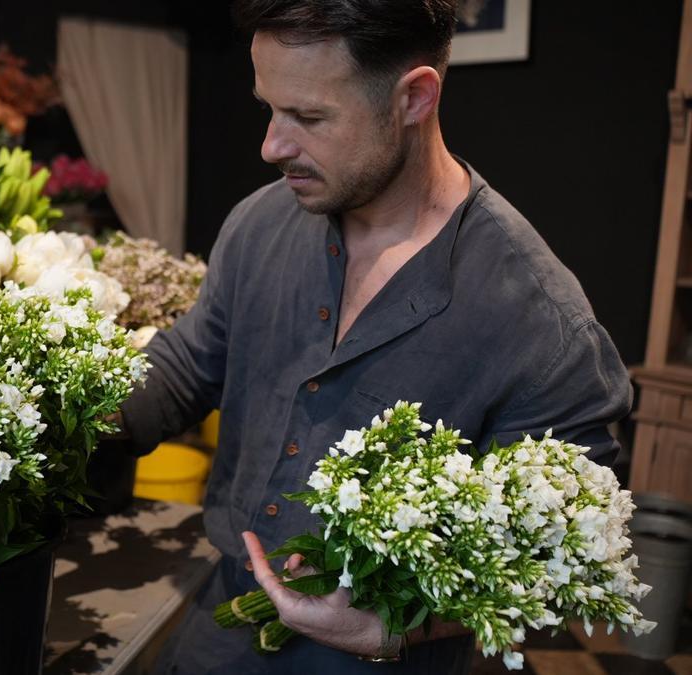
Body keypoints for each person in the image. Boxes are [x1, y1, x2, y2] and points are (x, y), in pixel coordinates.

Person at [114, 1, 632, 672]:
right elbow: (188, 363)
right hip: (222, 626)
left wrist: (401, 628)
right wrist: (74, 414)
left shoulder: (541, 323)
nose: (272, 145)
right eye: (269, 107)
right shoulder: (258, 223)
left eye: (308, 117)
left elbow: (563, 557)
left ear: (414, 97)